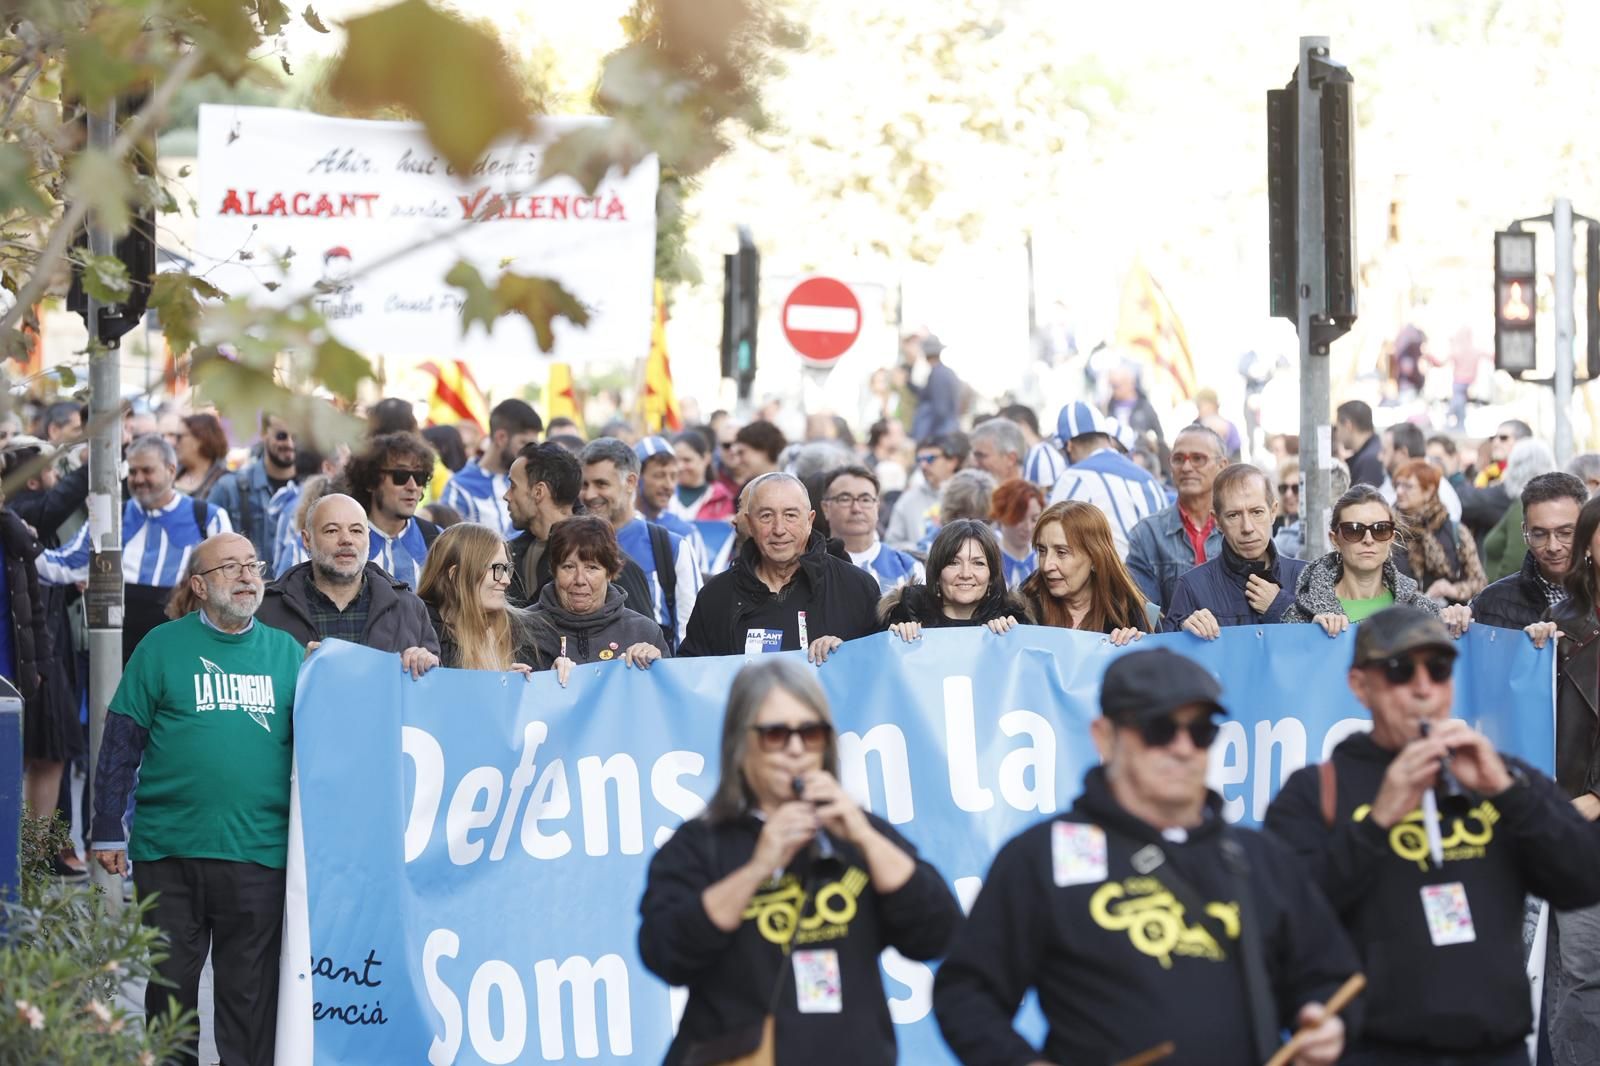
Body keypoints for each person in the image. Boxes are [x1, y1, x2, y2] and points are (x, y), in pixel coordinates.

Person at [935, 646, 1357, 1066]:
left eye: (1201, 731)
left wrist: (1327, 1022)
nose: (1182, 748)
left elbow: (1329, 976)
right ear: (1105, 737)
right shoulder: (1043, 856)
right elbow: (967, 992)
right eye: (1158, 729)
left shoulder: (1258, 858)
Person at [1265, 607, 1600, 1065]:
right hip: (1375, 1050)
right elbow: (1282, 918)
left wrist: (1507, 792)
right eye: (1401, 671)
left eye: (1438, 670)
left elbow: (1582, 875)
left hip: (1493, 1048)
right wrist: (1378, 820)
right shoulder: (1319, 789)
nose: (1423, 687)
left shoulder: (1494, 776)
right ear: (1360, 686)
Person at [638, 657, 960, 1065]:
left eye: (810, 733)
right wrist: (757, 867)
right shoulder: (701, 843)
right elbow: (665, 953)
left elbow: (940, 934)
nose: (795, 748)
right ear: (740, 743)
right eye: (775, 734)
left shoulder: (857, 832)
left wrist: (862, 834)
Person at [90, 533, 303, 1066]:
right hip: (169, 851)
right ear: (200, 586)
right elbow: (121, 739)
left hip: (259, 853)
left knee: (249, 999)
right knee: (170, 995)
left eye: (253, 565)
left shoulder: (289, 654)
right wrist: (107, 825)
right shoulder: (161, 646)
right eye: (230, 567)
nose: (247, 575)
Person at [681, 472, 880, 661]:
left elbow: (878, 670)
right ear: (750, 523)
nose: (779, 529)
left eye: (790, 515)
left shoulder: (855, 588)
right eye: (766, 516)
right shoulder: (717, 596)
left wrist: (843, 655)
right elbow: (692, 675)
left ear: (809, 520)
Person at [255, 493, 440, 672]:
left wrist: (429, 665)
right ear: (307, 540)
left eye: (356, 530)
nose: (346, 540)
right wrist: (296, 668)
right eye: (332, 530)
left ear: (368, 538)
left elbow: (431, 693)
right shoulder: (267, 611)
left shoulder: (409, 609)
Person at [1283, 484, 1473, 636]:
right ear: (1335, 539)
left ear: (1391, 537)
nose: (1368, 539)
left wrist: (1458, 620)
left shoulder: (1421, 610)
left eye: (1380, 529)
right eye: (1354, 530)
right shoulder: (1303, 613)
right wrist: (1308, 636)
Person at [581, 437, 702, 650]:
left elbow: (691, 636)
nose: (590, 494)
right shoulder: (569, 544)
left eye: (601, 484)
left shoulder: (670, 547)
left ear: (630, 482)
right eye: (584, 484)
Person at [121, 434, 232, 661]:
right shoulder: (113, 514)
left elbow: (229, 580)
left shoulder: (209, 517)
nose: (138, 479)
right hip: (122, 649)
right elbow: (66, 564)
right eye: (133, 472)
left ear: (171, 470)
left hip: (184, 645)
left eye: (147, 470)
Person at [1164, 463, 1308, 637]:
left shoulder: (1306, 577)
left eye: (1256, 512)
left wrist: (1280, 606)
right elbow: (1168, 660)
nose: (1247, 527)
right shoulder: (1191, 588)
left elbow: (1330, 650)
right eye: (1233, 515)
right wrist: (1184, 632)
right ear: (1216, 521)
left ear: (1273, 512)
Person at [417, 521, 568, 676]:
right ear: (455, 575)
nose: (506, 581)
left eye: (506, 569)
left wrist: (550, 676)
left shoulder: (530, 635)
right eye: (496, 569)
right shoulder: (420, 637)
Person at [525, 515, 668, 668]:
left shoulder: (644, 633)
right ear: (554, 571)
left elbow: (669, 689)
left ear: (610, 573)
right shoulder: (522, 631)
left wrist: (656, 670)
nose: (579, 580)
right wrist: (547, 680)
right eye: (568, 567)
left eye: (592, 568)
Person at [1020, 500, 1153, 644]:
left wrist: (1136, 647)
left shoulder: (1131, 614)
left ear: (1095, 559)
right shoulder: (1021, 610)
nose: (1047, 565)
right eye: (1042, 551)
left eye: (1061, 552)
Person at [1126, 424, 1226, 611]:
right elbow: (1143, 614)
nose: (1187, 467)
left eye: (1198, 459)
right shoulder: (1147, 535)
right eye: (1178, 459)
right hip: (1170, 640)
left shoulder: (1240, 529)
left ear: (1222, 466)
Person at [1048, 400, 1168, 557]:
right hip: (1159, 580)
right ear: (1108, 439)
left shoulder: (1073, 478)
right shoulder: (1149, 480)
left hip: (1112, 580)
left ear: (1069, 445)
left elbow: (1051, 548)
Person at [879, 519, 1028, 642]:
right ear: (937, 572)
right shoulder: (907, 614)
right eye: (953, 563)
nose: (965, 574)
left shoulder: (1011, 620)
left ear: (991, 576)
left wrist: (1011, 637)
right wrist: (897, 638)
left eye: (978, 563)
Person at [1471, 472, 1584, 631]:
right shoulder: (1492, 602)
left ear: (1586, 527)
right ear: (1525, 532)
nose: (1553, 546)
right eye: (1540, 535)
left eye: (1565, 533)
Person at [341, 431, 440, 589]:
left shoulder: (438, 541)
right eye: (400, 475)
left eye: (420, 476)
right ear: (371, 481)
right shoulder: (341, 541)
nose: (412, 486)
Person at [438, 398, 542, 535]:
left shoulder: (532, 484)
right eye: (525, 443)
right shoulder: (459, 487)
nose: (531, 453)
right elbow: (450, 547)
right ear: (501, 438)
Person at [210, 413, 297, 575]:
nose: (290, 443)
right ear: (264, 433)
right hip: (248, 592)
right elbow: (207, 550)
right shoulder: (230, 487)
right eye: (281, 436)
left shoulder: (312, 490)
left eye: (296, 437)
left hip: (297, 596)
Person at [1392, 459, 1485, 605]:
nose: (1399, 492)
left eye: (1407, 486)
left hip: (1448, 620)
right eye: (1397, 485)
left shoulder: (1455, 531)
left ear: (1429, 491)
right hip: (1403, 619)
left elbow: (1479, 582)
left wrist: (1452, 590)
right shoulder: (1388, 530)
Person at [819, 465, 923, 593]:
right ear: (825, 508)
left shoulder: (909, 568)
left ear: (877, 506)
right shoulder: (811, 567)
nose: (856, 508)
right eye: (845, 499)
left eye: (865, 500)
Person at [1478, 438, 1557, 583]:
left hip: (1503, 599)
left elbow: (1515, 563)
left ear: (1517, 468)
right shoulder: (1533, 504)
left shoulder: (1524, 507)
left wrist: (1491, 598)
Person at [886, 431, 968, 551]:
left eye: (930, 459)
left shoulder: (968, 495)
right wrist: (921, 549)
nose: (923, 465)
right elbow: (891, 543)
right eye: (919, 459)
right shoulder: (908, 499)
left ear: (952, 462)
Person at [633, 436, 698, 540]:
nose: (669, 485)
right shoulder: (618, 529)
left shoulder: (686, 533)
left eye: (673, 476)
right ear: (635, 479)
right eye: (659, 475)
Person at [666, 429, 735, 521]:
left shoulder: (721, 498)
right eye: (675, 461)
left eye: (687, 460)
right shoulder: (663, 494)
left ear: (706, 458)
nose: (680, 467)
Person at [998, 402, 1068, 490]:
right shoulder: (1031, 456)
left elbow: (1054, 500)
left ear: (1022, 425)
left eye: (1004, 429)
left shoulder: (1043, 455)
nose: (1000, 437)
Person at [907, 333, 963, 440]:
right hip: (948, 428)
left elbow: (940, 409)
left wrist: (929, 435)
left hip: (942, 432)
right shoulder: (946, 372)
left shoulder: (937, 375)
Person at [989, 477, 1042, 589]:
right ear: (1001, 515)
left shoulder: (1043, 559)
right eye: (1020, 519)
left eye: (1034, 519)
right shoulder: (990, 561)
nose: (1028, 527)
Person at [1102, 364, 1164, 449]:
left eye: (1116, 386)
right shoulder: (1107, 408)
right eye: (1111, 386)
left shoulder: (1144, 407)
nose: (1113, 390)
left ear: (1130, 383)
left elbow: (1160, 438)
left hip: (1141, 457)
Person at [172, 412, 229, 500]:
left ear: (199, 440)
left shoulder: (226, 483)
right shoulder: (170, 475)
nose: (174, 443)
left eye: (179, 437)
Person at [1336, 400, 1384, 489]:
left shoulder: (1369, 460)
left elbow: (1364, 500)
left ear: (1348, 426)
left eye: (1338, 428)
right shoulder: (1374, 449)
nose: (1337, 434)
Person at [725, 420, 786, 485]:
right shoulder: (748, 489)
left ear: (763, 449)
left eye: (741, 452)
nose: (737, 461)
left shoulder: (791, 487)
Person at [968, 417, 1026, 485]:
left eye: (980, 456)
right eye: (975, 456)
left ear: (1011, 459)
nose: (974, 463)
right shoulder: (972, 490)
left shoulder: (1031, 493)